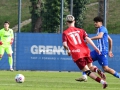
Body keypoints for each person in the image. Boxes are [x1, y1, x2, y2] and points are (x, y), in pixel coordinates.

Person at [62, 15, 107, 89]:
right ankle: (98, 71)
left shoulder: (65, 33)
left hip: (77, 53)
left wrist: (68, 50)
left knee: (87, 71)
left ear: (67, 22)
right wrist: (95, 48)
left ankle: (103, 82)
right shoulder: (81, 30)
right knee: (91, 66)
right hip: (85, 51)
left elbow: (64, 44)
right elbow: (88, 39)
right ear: (74, 21)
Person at [75, 16, 120, 82]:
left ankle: (119, 76)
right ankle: (84, 76)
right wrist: (110, 51)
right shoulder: (101, 30)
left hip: (102, 52)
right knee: (85, 59)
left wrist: (90, 39)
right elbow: (110, 40)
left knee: (106, 69)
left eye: (96, 22)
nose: (95, 23)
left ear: (100, 22)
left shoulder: (102, 29)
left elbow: (100, 36)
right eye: (94, 22)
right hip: (97, 51)